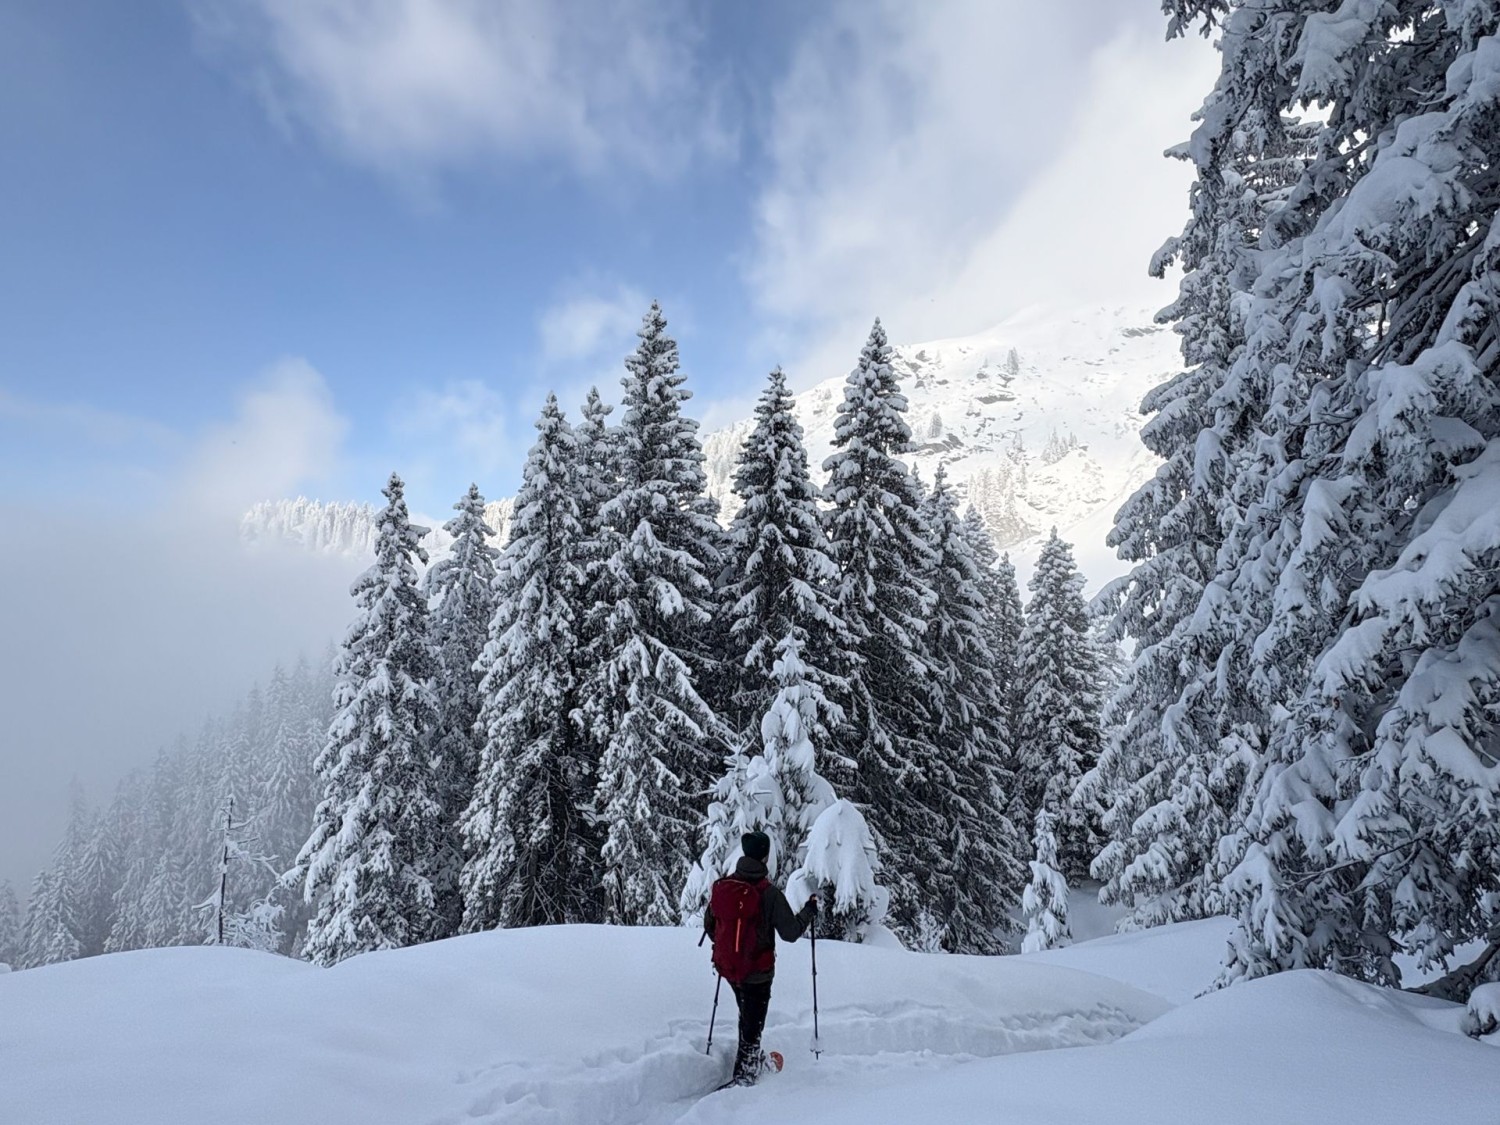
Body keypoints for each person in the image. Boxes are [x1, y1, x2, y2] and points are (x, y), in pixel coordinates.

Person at [703, 830, 818, 1087]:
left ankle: (751, 1058)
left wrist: (731, 949)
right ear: (765, 857)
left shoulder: (725, 886)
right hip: (758, 972)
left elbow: (710, 925)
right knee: (752, 1022)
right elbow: (790, 932)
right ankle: (744, 1078)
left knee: (747, 1016)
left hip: (729, 969)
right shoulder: (769, 894)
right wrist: (809, 911)